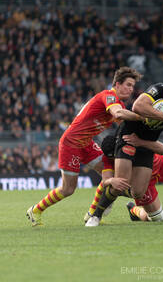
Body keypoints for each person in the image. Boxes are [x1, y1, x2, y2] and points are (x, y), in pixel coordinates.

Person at [26, 67, 143, 226]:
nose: (131, 89)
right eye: (128, 85)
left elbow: (125, 123)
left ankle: (92, 214)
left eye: (133, 86)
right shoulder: (109, 96)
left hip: (86, 143)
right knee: (68, 189)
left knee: (109, 173)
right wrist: (143, 116)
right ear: (117, 84)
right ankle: (35, 210)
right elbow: (118, 114)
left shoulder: (118, 102)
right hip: (71, 143)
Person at [86, 70, 163, 226]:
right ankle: (95, 216)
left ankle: (123, 201)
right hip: (129, 136)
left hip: (147, 144)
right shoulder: (158, 90)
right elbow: (138, 106)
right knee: (121, 181)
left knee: (137, 192)